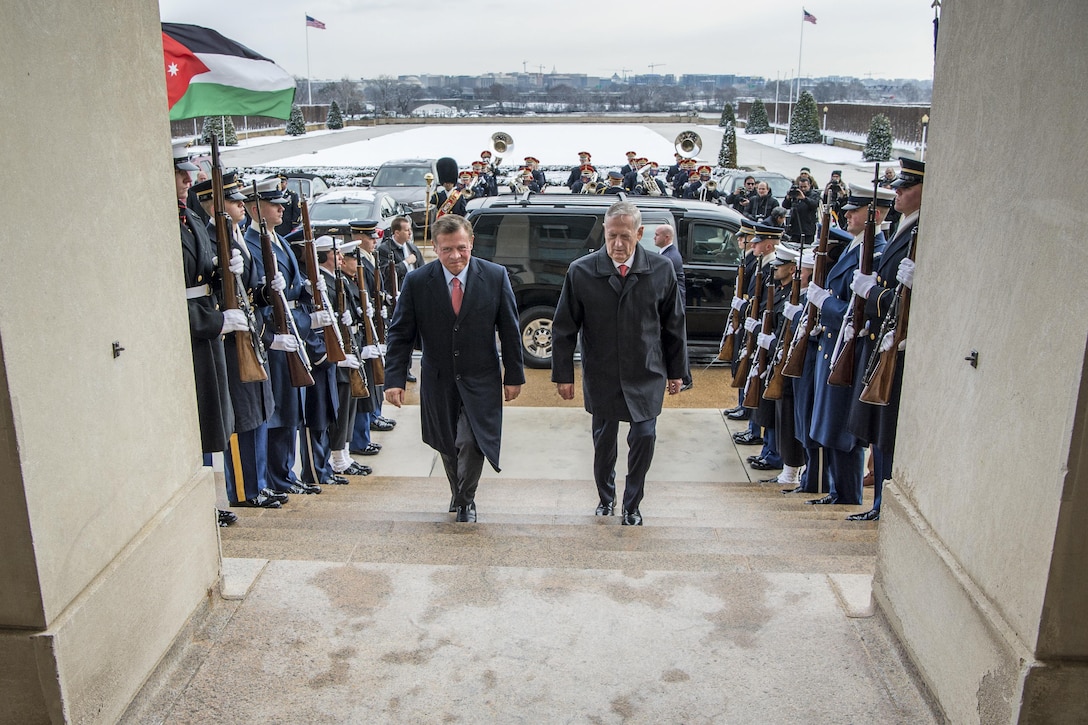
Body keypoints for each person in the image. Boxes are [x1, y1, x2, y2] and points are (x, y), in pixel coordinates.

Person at [552, 201, 687, 526]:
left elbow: (674, 325)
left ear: (639, 233)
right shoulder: (581, 271)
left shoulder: (661, 269)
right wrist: (564, 375)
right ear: (605, 232)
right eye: (612, 235)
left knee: (644, 435)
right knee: (603, 443)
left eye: (625, 236)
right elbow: (564, 327)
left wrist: (677, 372)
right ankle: (605, 497)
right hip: (603, 374)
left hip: (647, 372)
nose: (618, 244)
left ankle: (632, 504)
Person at [383, 214, 525, 523]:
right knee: (447, 443)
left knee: (472, 442)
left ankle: (465, 501)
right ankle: (458, 490)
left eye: (461, 247)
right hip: (439, 379)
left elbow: (511, 330)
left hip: (482, 377)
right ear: (434, 247)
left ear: (471, 243)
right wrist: (394, 379)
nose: (455, 256)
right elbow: (400, 333)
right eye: (447, 249)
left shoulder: (496, 276)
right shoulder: (418, 281)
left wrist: (513, 376)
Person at [803, 182, 892, 507]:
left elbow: (855, 312)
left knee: (844, 431)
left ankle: (848, 494)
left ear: (875, 215)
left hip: (848, 350)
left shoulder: (875, 251)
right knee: (831, 423)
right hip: (833, 345)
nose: (848, 214)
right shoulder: (854, 248)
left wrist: (824, 302)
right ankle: (837, 491)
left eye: (856, 211)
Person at [845, 158, 924, 521]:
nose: (898, 192)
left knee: (887, 431)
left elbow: (909, 301)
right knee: (878, 429)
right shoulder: (904, 227)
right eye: (898, 186)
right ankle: (878, 504)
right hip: (881, 340)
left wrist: (875, 295)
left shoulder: (921, 230)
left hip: (895, 344)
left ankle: (884, 507)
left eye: (906, 187)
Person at [174, 142, 243, 526]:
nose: (188, 180)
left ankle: (204, 499)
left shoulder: (190, 217)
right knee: (193, 419)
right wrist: (214, 322)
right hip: (192, 330)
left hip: (204, 323)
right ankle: (196, 500)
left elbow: (201, 271)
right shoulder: (166, 221)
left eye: (188, 172)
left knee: (208, 420)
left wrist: (225, 269)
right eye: (179, 173)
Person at [243, 177, 322, 497]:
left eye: (280, 204)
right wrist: (270, 336)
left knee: (292, 409)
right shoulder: (251, 245)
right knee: (275, 413)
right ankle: (273, 477)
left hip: (292, 329)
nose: (280, 208)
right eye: (274, 204)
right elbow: (253, 295)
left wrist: (308, 317)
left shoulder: (280, 241)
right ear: (254, 208)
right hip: (272, 335)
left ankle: (285, 472)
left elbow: (295, 286)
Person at [654, 224, 691, 390]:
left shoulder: (670, 257)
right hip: (675, 302)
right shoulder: (667, 254)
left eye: (657, 235)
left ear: (667, 237)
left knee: (677, 341)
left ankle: (685, 378)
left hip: (675, 304)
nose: (654, 237)